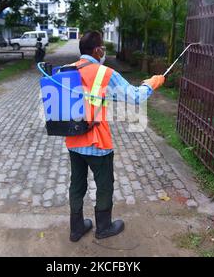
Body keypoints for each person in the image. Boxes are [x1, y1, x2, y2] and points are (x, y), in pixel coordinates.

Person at [66, 31, 165, 242]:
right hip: (97, 142)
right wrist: (153, 83)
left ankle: (76, 228)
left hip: (73, 140)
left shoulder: (68, 70)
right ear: (97, 50)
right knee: (104, 185)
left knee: (77, 184)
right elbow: (135, 97)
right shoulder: (105, 73)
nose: (104, 51)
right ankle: (103, 227)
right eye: (102, 47)